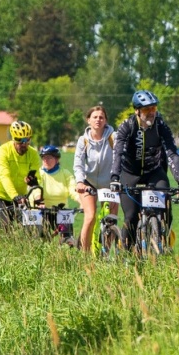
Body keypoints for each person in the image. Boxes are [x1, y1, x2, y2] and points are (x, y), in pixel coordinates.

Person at [109, 90, 179, 246]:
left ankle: (163, 245)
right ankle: (126, 257)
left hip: (154, 172)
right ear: (137, 111)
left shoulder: (161, 126)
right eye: (147, 109)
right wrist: (114, 177)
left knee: (166, 208)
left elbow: (172, 153)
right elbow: (118, 153)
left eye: (154, 108)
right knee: (131, 216)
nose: (152, 113)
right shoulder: (127, 126)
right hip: (130, 173)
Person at [73, 105, 119, 253]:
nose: (98, 120)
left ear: (105, 121)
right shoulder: (83, 140)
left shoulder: (113, 137)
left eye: (101, 117)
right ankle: (84, 256)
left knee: (111, 219)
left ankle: (105, 254)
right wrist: (80, 181)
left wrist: (118, 180)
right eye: (95, 117)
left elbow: (121, 159)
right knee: (90, 216)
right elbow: (78, 164)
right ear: (88, 120)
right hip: (89, 183)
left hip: (110, 184)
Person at [0, 120, 41, 229]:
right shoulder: (3, 150)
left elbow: (36, 178)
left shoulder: (33, 154)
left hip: (22, 197)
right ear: (13, 139)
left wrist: (36, 193)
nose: (24, 144)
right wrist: (15, 196)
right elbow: (4, 176)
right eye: (20, 141)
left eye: (27, 140)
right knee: (4, 228)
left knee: (32, 227)